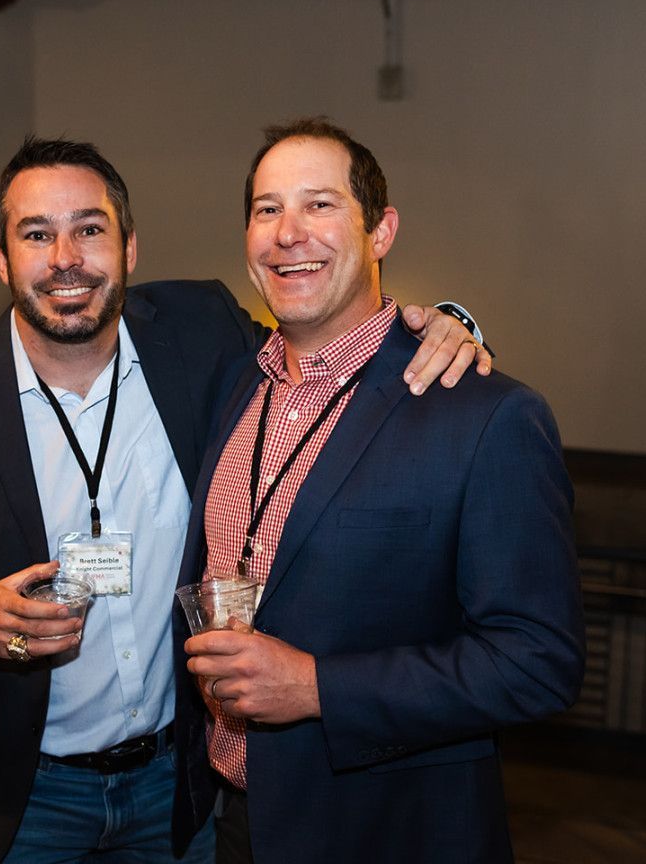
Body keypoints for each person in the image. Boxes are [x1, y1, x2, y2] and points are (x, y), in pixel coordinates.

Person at [0, 135, 492, 864]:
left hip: (179, 788)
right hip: (24, 798)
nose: (65, 259)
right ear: (1, 258)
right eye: (36, 235)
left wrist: (446, 323)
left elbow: (332, 344)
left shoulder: (201, 331)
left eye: (89, 229)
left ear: (129, 247)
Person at [180, 118, 584, 864]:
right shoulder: (236, 378)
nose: (288, 233)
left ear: (381, 231)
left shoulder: (483, 414)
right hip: (230, 820)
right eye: (267, 209)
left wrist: (317, 688)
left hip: (386, 831)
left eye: (320, 204)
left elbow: (537, 662)